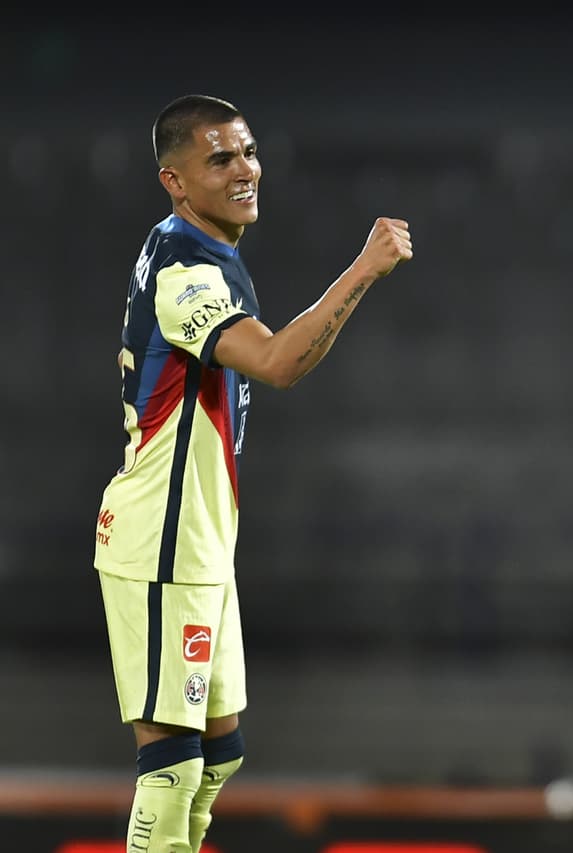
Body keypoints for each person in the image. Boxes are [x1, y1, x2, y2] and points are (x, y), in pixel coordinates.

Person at [93, 94, 412, 852]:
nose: (245, 170)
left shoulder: (199, 251)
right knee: (170, 765)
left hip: (198, 541)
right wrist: (363, 270)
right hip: (163, 544)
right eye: (220, 159)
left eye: (248, 152)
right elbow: (275, 361)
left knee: (219, 752)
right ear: (175, 180)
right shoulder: (185, 269)